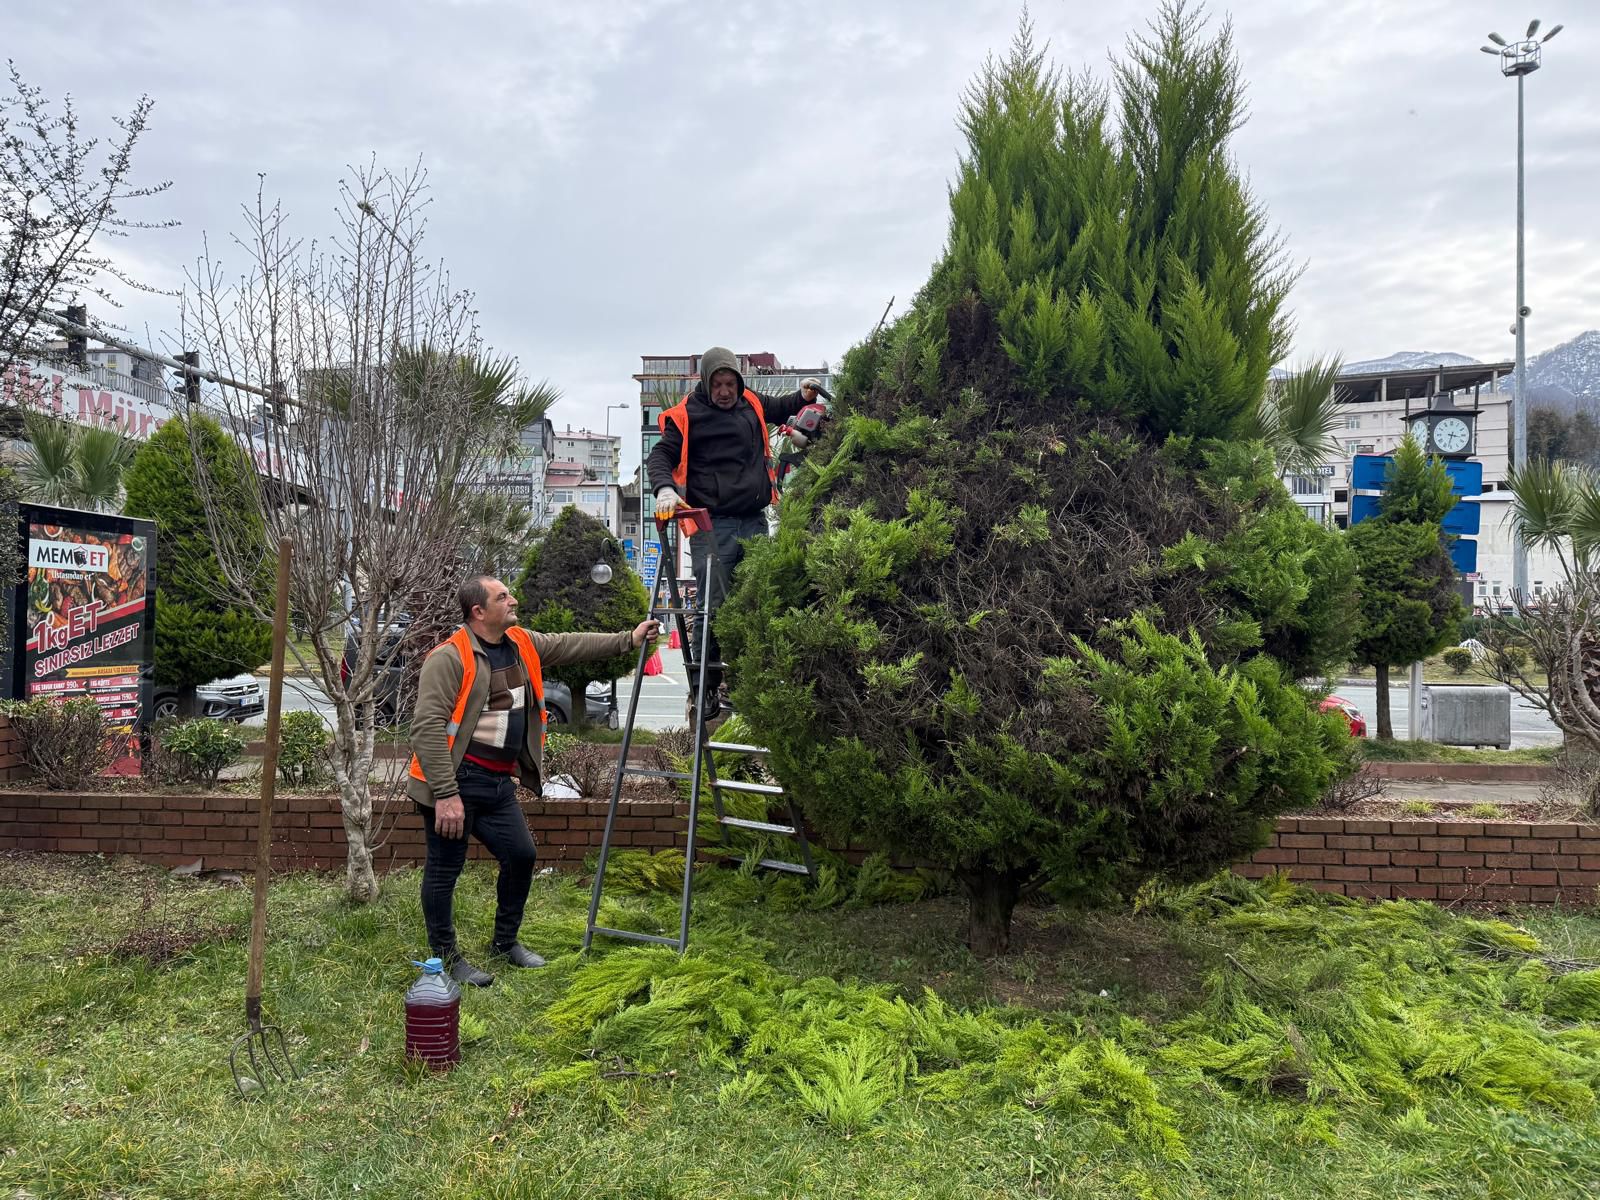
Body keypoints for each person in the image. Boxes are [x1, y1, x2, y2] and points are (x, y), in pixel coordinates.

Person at [406, 573, 658, 986]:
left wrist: (626, 639)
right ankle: (446, 959)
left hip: (496, 782)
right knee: (444, 869)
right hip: (455, 781)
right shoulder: (449, 658)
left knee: (521, 855)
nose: (513, 600)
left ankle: (505, 943)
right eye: (503, 597)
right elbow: (426, 728)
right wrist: (446, 795)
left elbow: (567, 644)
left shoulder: (519, 643)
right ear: (478, 611)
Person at [646, 347, 828, 722]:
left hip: (754, 519)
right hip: (713, 523)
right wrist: (665, 488)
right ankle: (706, 688)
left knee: (756, 600)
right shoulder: (686, 415)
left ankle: (750, 682)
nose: (726, 391)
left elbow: (779, 407)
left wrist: (803, 397)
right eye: (719, 385)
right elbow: (660, 456)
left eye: (731, 383)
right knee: (711, 605)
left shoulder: (750, 401)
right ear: (707, 382)